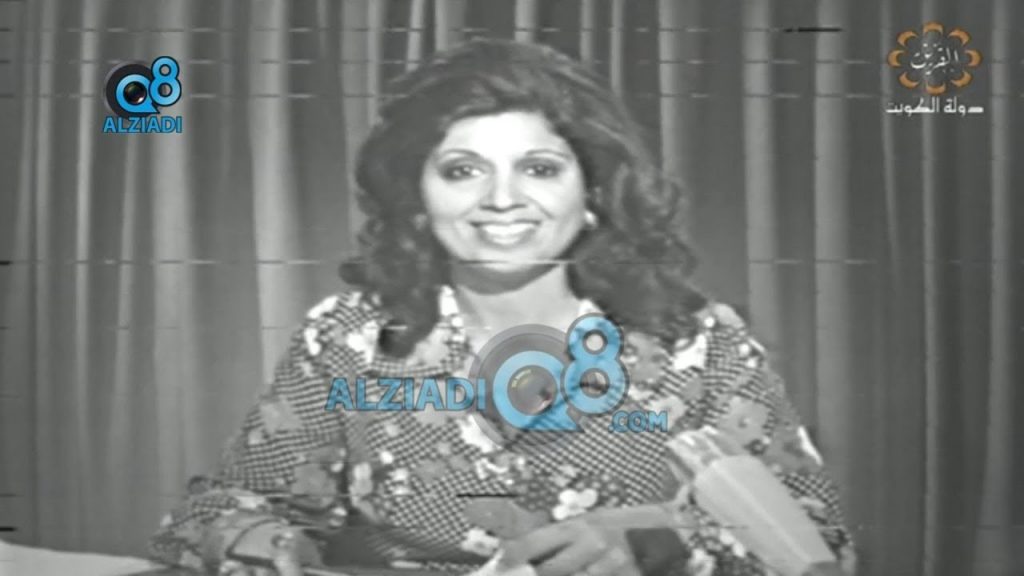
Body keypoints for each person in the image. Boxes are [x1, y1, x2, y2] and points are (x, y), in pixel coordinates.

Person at [149, 38, 856, 576]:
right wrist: (272, 548)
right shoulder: (348, 337)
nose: (502, 199)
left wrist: (655, 542)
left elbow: (822, 542)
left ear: (592, 194)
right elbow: (216, 513)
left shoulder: (699, 344)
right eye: (463, 171)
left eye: (539, 168)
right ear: (418, 199)